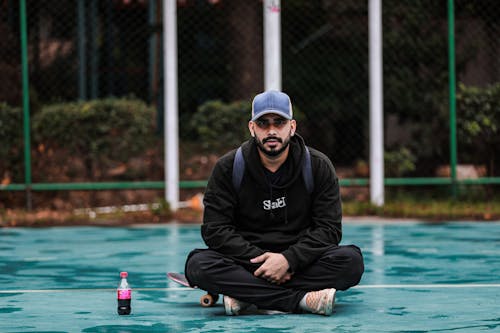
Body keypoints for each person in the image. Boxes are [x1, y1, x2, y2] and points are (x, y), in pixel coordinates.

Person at [184, 90, 364, 316]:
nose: (271, 130)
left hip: (300, 261)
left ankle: (247, 296)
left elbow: (328, 230)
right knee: (198, 265)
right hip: (247, 260)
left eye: (279, 122)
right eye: (263, 123)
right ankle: (302, 300)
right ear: (252, 128)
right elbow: (215, 230)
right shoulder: (228, 167)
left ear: (292, 126)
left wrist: (289, 260)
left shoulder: (318, 166)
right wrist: (264, 264)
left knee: (351, 262)